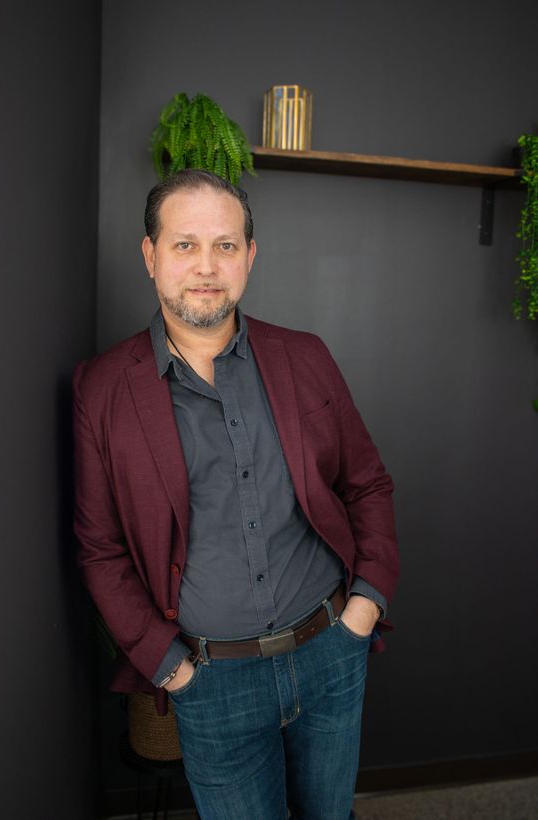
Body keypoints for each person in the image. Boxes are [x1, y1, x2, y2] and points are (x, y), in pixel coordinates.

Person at [73, 169, 399, 820]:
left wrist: (364, 606)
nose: (206, 265)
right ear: (150, 256)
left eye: (225, 245)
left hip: (331, 651)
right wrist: (170, 668)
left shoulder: (304, 357)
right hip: (209, 679)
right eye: (184, 244)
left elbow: (366, 483)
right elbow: (99, 551)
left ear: (249, 255)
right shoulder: (103, 389)